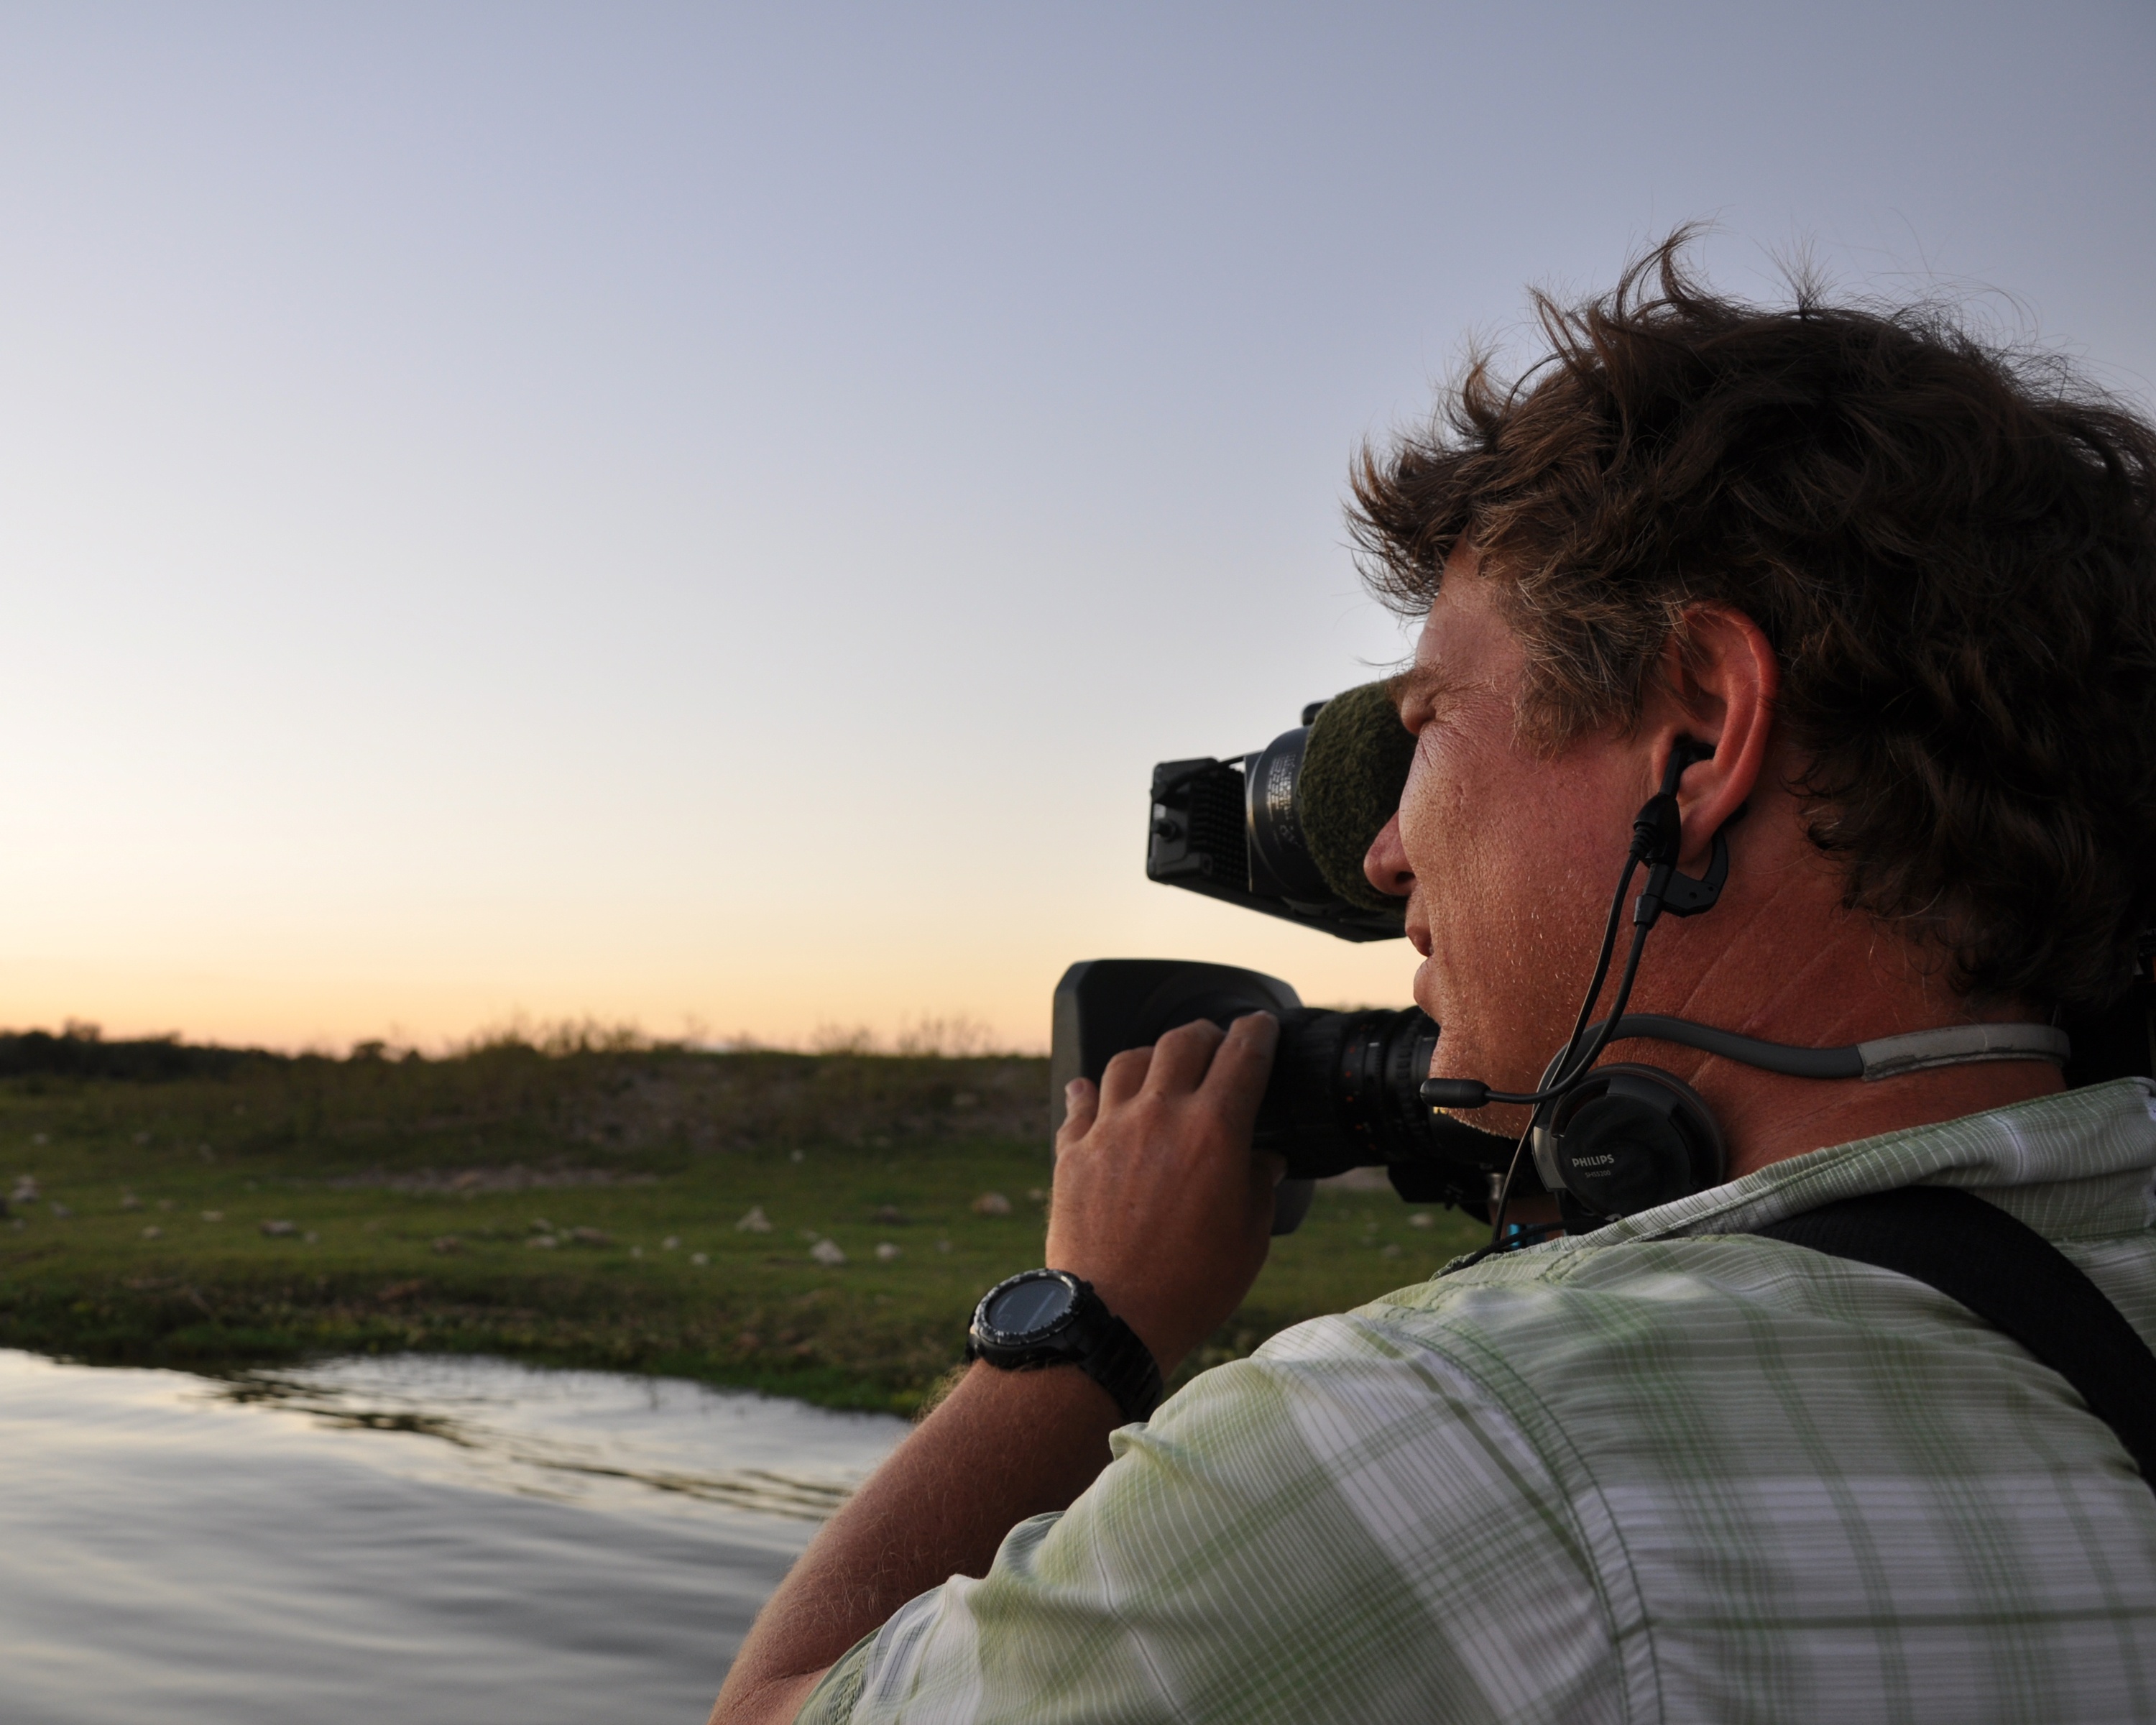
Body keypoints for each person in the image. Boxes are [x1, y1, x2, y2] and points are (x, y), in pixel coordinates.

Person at [712, 236, 2156, 1724]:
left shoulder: (1453, 1449)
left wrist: (1083, 1320)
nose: (1388, 854)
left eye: (1431, 728)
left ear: (1702, 735)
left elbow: (769, 1713)